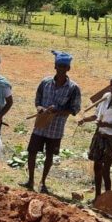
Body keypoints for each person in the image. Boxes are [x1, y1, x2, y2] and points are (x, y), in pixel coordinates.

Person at [22, 51, 82, 194]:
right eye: (59, 66)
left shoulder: (73, 88)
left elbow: (75, 109)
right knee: (32, 152)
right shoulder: (45, 82)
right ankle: (30, 181)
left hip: (56, 128)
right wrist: (40, 108)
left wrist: (58, 112)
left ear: (68, 69)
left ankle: (43, 182)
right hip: (40, 125)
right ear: (55, 66)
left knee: (49, 154)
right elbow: (38, 99)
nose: (61, 69)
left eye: (64, 66)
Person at [77, 71, 112, 199]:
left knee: (105, 170)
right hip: (99, 135)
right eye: (111, 85)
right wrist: (85, 119)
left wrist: (107, 125)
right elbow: (97, 115)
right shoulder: (106, 97)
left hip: (111, 140)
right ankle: (97, 196)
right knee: (97, 167)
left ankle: (107, 197)